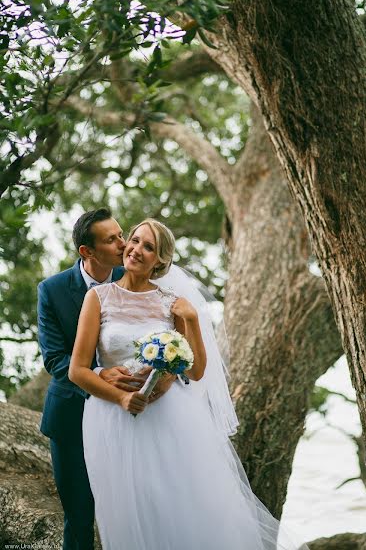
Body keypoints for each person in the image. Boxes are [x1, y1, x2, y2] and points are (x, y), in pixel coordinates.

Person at [69, 218, 309, 550]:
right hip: (112, 419)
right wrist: (122, 399)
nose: (136, 249)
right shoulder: (98, 298)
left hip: (169, 418)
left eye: (148, 247)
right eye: (134, 240)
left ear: (160, 260)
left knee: (177, 503)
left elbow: (195, 372)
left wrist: (192, 319)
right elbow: (77, 371)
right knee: (128, 510)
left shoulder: (173, 303)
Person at [37, 209, 175, 550]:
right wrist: (99, 373)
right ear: (88, 251)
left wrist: (161, 379)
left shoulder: (135, 274)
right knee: (80, 516)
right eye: (111, 239)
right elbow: (55, 358)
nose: (124, 243)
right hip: (71, 415)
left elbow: (169, 339)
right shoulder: (52, 290)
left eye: (121, 234)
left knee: (139, 511)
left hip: (132, 419)